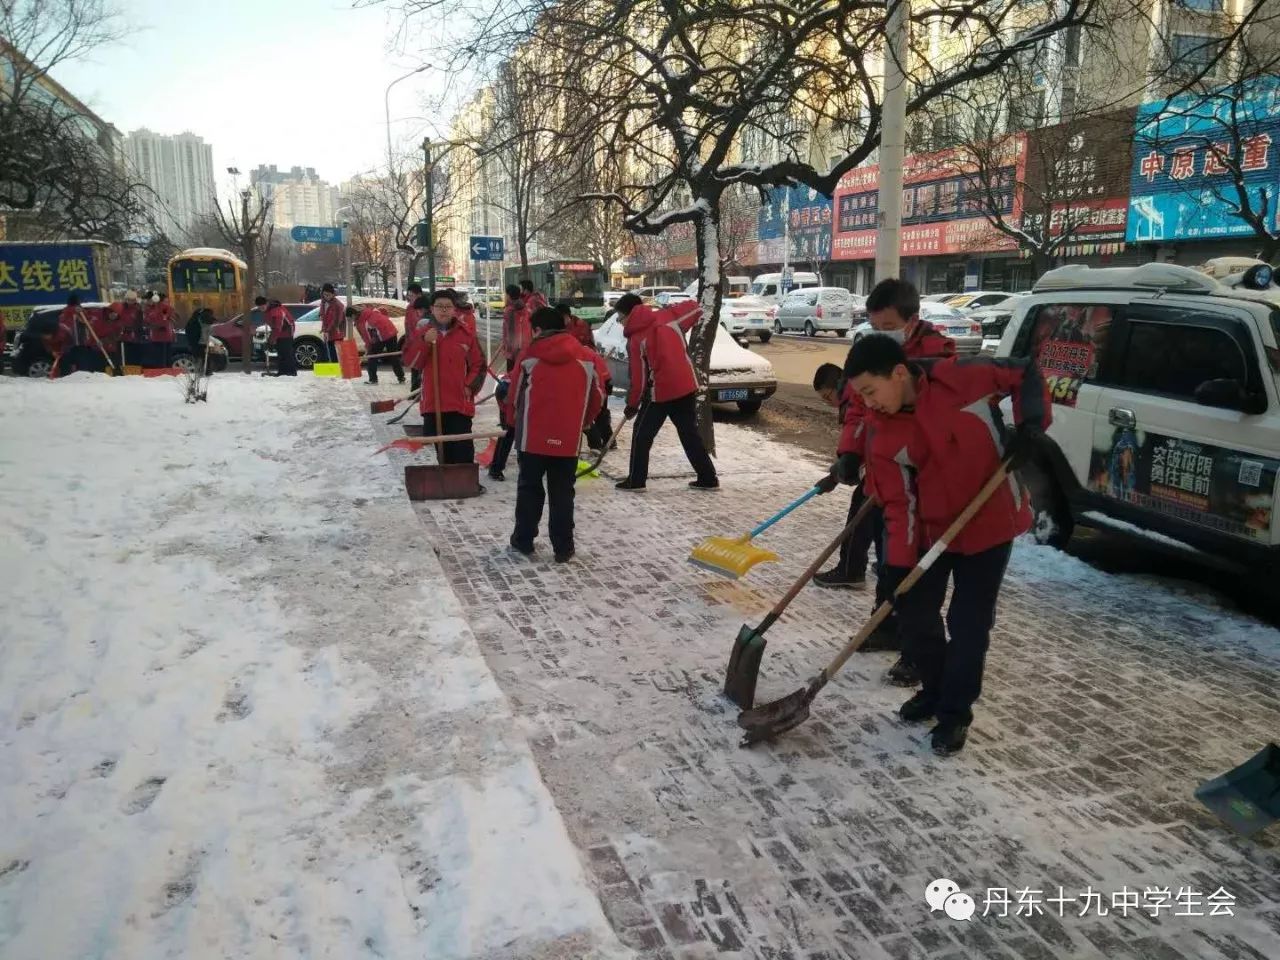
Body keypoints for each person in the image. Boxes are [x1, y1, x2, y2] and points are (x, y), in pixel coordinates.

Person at [846, 333, 1049, 755]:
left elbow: (1024, 372)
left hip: (990, 522)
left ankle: (955, 714)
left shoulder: (961, 378)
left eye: (870, 390)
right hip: (934, 532)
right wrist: (897, 565)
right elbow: (900, 506)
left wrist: (1030, 423)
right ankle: (935, 690)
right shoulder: (884, 434)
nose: (868, 403)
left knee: (969, 625)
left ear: (899, 373)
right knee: (915, 614)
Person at [823, 278, 958, 685]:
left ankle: (920, 653)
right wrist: (850, 451)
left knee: (920, 571)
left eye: (887, 326)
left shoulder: (937, 360)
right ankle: (886, 626)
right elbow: (859, 410)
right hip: (885, 478)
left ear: (912, 320)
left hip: (923, 483)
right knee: (889, 558)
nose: (880, 334)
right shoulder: (874, 355)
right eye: (874, 325)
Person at [505, 306, 605, 562]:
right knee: (562, 493)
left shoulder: (528, 356)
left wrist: (511, 421)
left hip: (532, 438)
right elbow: (597, 397)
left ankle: (523, 540)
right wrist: (584, 421)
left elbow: (514, 396)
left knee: (529, 489)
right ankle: (563, 547)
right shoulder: (587, 357)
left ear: (537, 329)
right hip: (568, 439)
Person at [613, 292, 718, 491]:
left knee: (641, 434)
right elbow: (695, 307)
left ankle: (636, 480)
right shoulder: (669, 317)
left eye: (620, 317)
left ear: (630, 314)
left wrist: (632, 404)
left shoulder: (636, 339)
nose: (620, 322)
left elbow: (640, 378)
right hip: (686, 384)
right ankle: (708, 477)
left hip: (661, 392)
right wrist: (671, 309)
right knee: (689, 433)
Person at [403, 289, 486, 464]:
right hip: (434, 402)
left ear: (455, 309)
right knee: (442, 449)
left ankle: (464, 481)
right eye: (439, 306)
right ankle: (447, 480)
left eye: (448, 306)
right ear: (432, 309)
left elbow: (478, 365)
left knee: (462, 447)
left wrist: (469, 386)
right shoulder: (422, 333)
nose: (443, 310)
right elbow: (412, 363)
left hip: (459, 401)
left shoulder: (466, 334)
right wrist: (424, 342)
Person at [349, 304, 405, 384]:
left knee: (372, 356)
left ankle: (373, 379)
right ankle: (401, 377)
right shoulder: (369, 311)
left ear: (353, 315)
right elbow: (383, 314)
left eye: (350, 319)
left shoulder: (362, 322)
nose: (350, 321)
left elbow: (367, 337)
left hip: (382, 335)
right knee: (393, 355)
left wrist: (368, 348)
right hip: (391, 331)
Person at [261, 298, 298, 376]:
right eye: (259, 308)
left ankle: (291, 372)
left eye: (263, 307)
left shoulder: (277, 310)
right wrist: (270, 339)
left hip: (287, 331)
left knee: (286, 352)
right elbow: (273, 327)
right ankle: (282, 371)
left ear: (267, 304)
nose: (261, 309)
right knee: (280, 352)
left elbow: (278, 327)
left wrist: (271, 340)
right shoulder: (267, 311)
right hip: (279, 331)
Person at [501, 284, 532, 372]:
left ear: (509, 295)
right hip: (525, 349)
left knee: (512, 376)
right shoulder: (525, 308)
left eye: (505, 294)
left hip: (514, 352)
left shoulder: (510, 311)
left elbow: (511, 332)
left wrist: (508, 351)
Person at [145, 292, 176, 367]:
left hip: (164, 337)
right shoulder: (150, 308)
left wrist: (155, 325)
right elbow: (146, 320)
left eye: (148, 299)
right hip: (156, 337)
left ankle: (164, 372)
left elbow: (164, 319)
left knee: (163, 358)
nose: (147, 301)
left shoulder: (164, 308)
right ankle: (161, 371)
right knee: (158, 358)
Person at [319, 283, 346, 362]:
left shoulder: (338, 305)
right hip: (328, 331)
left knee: (338, 351)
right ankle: (334, 368)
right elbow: (323, 315)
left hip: (337, 331)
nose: (326, 297)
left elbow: (336, 320)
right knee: (330, 351)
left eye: (328, 295)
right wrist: (324, 328)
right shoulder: (323, 303)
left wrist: (327, 330)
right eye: (324, 295)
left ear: (333, 294)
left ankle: (341, 368)